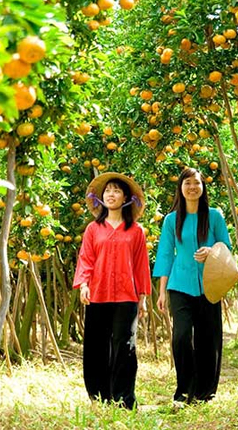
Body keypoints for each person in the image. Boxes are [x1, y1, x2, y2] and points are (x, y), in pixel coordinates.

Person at [72, 172, 151, 410]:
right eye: (107, 191)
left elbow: (140, 264)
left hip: (127, 296)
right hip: (98, 294)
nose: (111, 194)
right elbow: (86, 259)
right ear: (101, 197)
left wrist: (143, 298)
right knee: (96, 345)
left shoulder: (136, 231)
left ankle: (124, 399)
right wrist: (84, 284)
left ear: (126, 197)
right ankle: (99, 396)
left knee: (125, 346)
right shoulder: (93, 229)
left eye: (116, 190)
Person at [154, 167, 231, 405]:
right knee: (182, 336)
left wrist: (211, 251)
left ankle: (205, 393)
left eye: (196, 183)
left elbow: (226, 245)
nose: (192, 187)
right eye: (187, 183)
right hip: (180, 284)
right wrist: (162, 291)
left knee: (209, 338)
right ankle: (184, 390)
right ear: (180, 188)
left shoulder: (215, 215)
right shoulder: (171, 220)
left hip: (210, 283)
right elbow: (165, 254)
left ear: (203, 187)